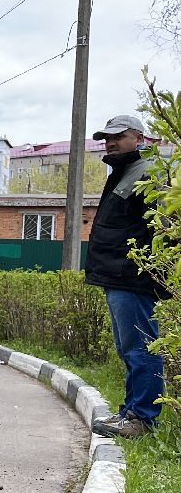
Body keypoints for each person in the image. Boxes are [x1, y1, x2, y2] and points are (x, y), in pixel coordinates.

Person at [86, 114, 167, 438]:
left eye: (118, 136)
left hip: (133, 276)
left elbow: (164, 224)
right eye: (107, 137)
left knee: (140, 347)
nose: (111, 142)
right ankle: (130, 413)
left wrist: (153, 268)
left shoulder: (149, 172)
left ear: (140, 138)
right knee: (129, 346)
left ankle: (143, 419)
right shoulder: (124, 172)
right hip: (118, 275)